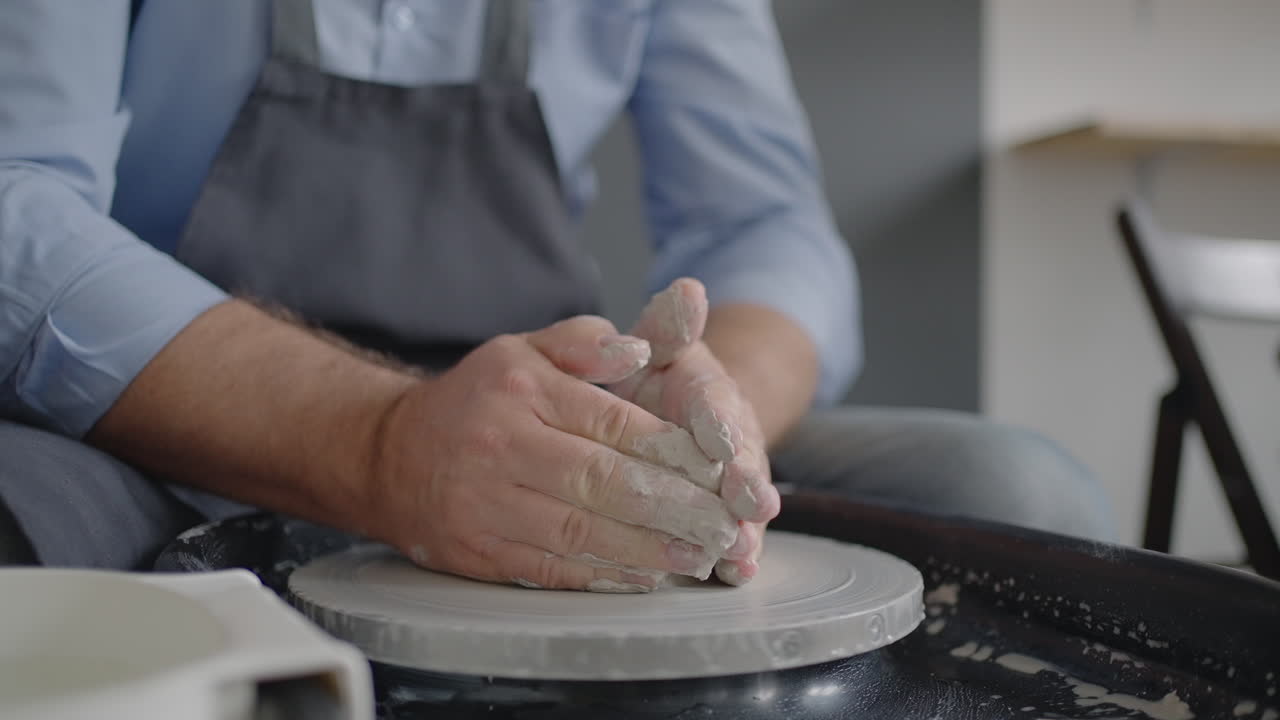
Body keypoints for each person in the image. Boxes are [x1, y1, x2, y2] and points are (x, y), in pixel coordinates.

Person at [0, 1, 1113, 586]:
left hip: (542, 420)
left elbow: (767, 231)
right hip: (182, 435)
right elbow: (16, 205)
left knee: (1017, 495)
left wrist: (705, 426)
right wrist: (383, 444)